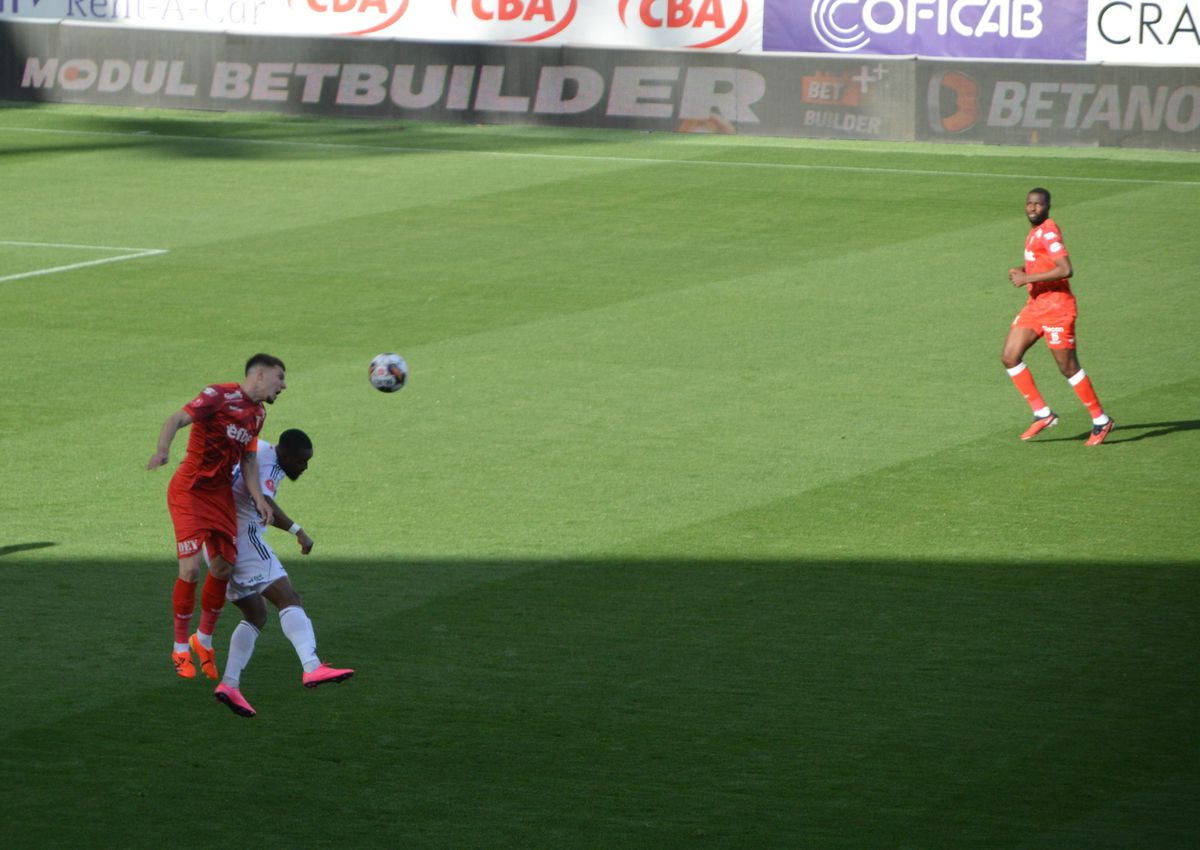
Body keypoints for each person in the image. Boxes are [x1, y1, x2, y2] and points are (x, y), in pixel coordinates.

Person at [148, 353, 287, 680]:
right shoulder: (218, 395)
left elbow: (249, 461)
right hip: (190, 491)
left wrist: (258, 499)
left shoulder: (258, 415)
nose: (283, 386)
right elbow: (176, 419)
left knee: (223, 566)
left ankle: (204, 640)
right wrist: (163, 449)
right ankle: (180, 647)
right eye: (280, 379)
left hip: (220, 495)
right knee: (192, 568)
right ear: (261, 375)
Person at [213, 428, 354, 718]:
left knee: (256, 614)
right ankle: (312, 667)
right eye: (301, 461)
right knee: (289, 598)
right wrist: (297, 531)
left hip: (217, 537)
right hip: (243, 538)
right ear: (286, 455)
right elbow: (262, 502)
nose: (304, 467)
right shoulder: (269, 464)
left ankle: (229, 684)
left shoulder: (260, 448)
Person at [1001, 188, 1114, 446]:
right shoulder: (1034, 233)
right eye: (1029, 204)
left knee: (1067, 367)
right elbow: (1043, 262)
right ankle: (1043, 414)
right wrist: (1023, 268)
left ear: (1047, 207)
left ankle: (1101, 419)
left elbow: (1065, 269)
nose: (1032, 208)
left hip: (1057, 309)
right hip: (1036, 306)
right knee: (1009, 356)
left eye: (1037, 205)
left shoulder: (1050, 231)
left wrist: (1026, 278)